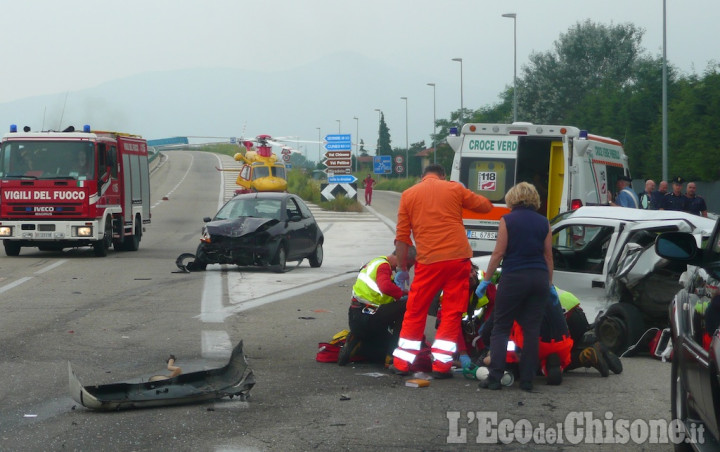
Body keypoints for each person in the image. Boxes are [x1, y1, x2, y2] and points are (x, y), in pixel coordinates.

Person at [391, 163, 492, 378]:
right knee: (452, 312)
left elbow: (402, 238)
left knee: (415, 311)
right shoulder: (454, 189)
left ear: (422, 176)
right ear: (443, 175)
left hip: (428, 262)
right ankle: (442, 366)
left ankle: (401, 364)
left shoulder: (409, 195)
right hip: (457, 260)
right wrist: (462, 191)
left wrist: (401, 268)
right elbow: (485, 206)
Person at [477, 182, 553, 391]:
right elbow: (548, 255)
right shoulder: (544, 222)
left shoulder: (507, 220)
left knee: (500, 328)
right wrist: (550, 283)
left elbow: (499, 253)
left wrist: (486, 280)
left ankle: (495, 379)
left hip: (514, 278)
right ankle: (527, 381)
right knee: (531, 331)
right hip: (538, 278)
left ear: (512, 198)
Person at [338, 247, 417, 366]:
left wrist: (406, 293)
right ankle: (392, 355)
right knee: (407, 305)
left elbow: (383, 293)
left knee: (379, 353)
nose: (407, 269)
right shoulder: (384, 266)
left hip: (358, 316)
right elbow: (385, 287)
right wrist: (404, 295)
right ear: (402, 258)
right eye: (408, 265)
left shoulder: (375, 263)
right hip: (368, 316)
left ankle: (358, 342)